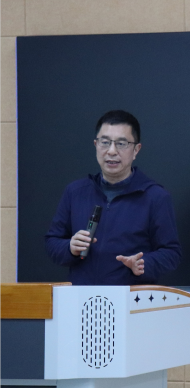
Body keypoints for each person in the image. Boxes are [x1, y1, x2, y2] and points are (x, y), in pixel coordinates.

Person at [45, 110, 182, 285]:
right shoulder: (75, 192)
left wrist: (143, 264)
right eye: (105, 142)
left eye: (121, 144)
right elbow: (52, 242)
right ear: (96, 145)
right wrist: (69, 247)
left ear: (136, 150)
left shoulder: (156, 197)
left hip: (130, 297)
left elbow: (171, 253)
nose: (111, 151)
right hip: (82, 296)